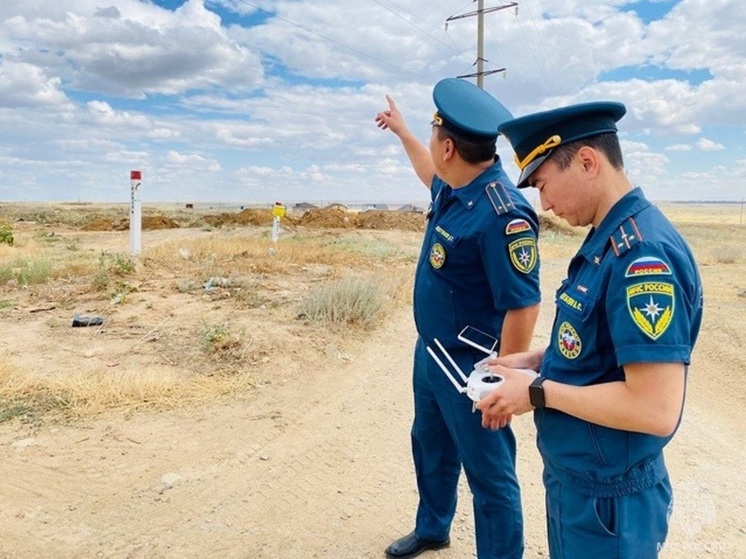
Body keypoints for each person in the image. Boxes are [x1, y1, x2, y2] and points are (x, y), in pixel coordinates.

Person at [475, 101, 704, 559]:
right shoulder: (607, 237)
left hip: (611, 501)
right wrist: (539, 360)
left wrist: (537, 392)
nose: (545, 205)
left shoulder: (642, 257)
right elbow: (603, 347)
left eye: (542, 185)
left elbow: (655, 407)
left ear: (586, 162)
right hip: (582, 482)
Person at [374, 78, 542, 559]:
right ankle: (433, 527)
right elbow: (429, 172)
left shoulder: (503, 214)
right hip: (431, 353)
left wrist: (502, 378)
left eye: (431, 137)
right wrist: (405, 132)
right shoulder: (456, 185)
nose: (431, 147)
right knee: (429, 445)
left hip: (469, 367)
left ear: (449, 146)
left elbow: (523, 303)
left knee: (490, 476)